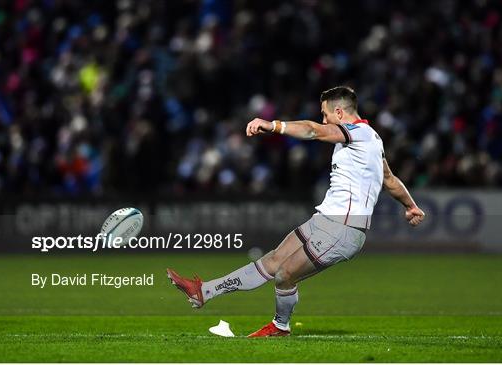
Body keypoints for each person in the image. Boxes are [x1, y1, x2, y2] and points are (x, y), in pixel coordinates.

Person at [167, 86, 425, 337]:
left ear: (339, 112)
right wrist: (410, 205)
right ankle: (204, 292)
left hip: (344, 228)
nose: (323, 119)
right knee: (271, 262)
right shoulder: (371, 141)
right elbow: (389, 179)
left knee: (285, 275)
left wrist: (274, 125)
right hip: (324, 220)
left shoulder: (361, 133)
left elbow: (313, 130)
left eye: (325, 114)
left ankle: (280, 326)